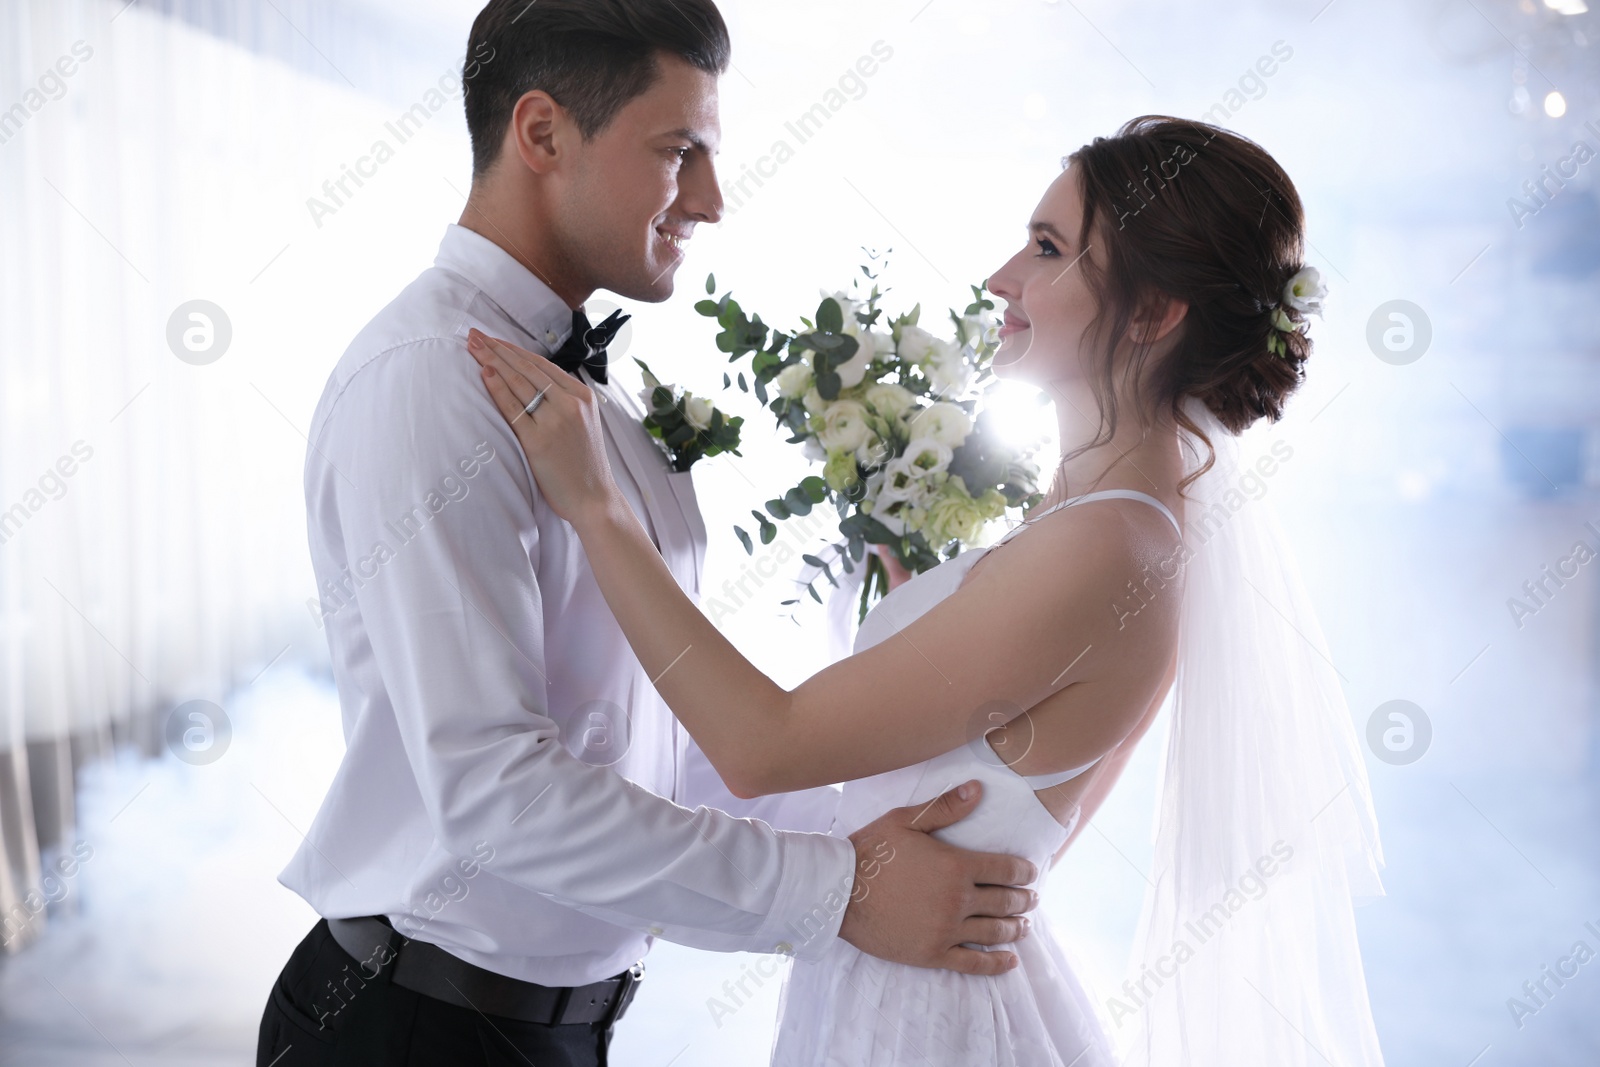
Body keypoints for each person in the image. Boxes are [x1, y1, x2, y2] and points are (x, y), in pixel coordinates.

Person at [469, 116, 1388, 1066]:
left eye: (1048, 250)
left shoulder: (1106, 544)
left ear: (1155, 313)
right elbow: (1014, 825)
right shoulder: (1129, 520)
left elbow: (759, 746)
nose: (1002, 279)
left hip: (922, 1020)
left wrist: (597, 508)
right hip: (921, 978)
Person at [255, 2, 1038, 1064]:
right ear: (540, 134)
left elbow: (647, 741)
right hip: (414, 1027)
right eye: (681, 152)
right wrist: (837, 889)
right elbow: (498, 791)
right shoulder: (432, 383)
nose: (712, 201)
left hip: (553, 1032)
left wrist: (865, 845)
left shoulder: (596, 410)